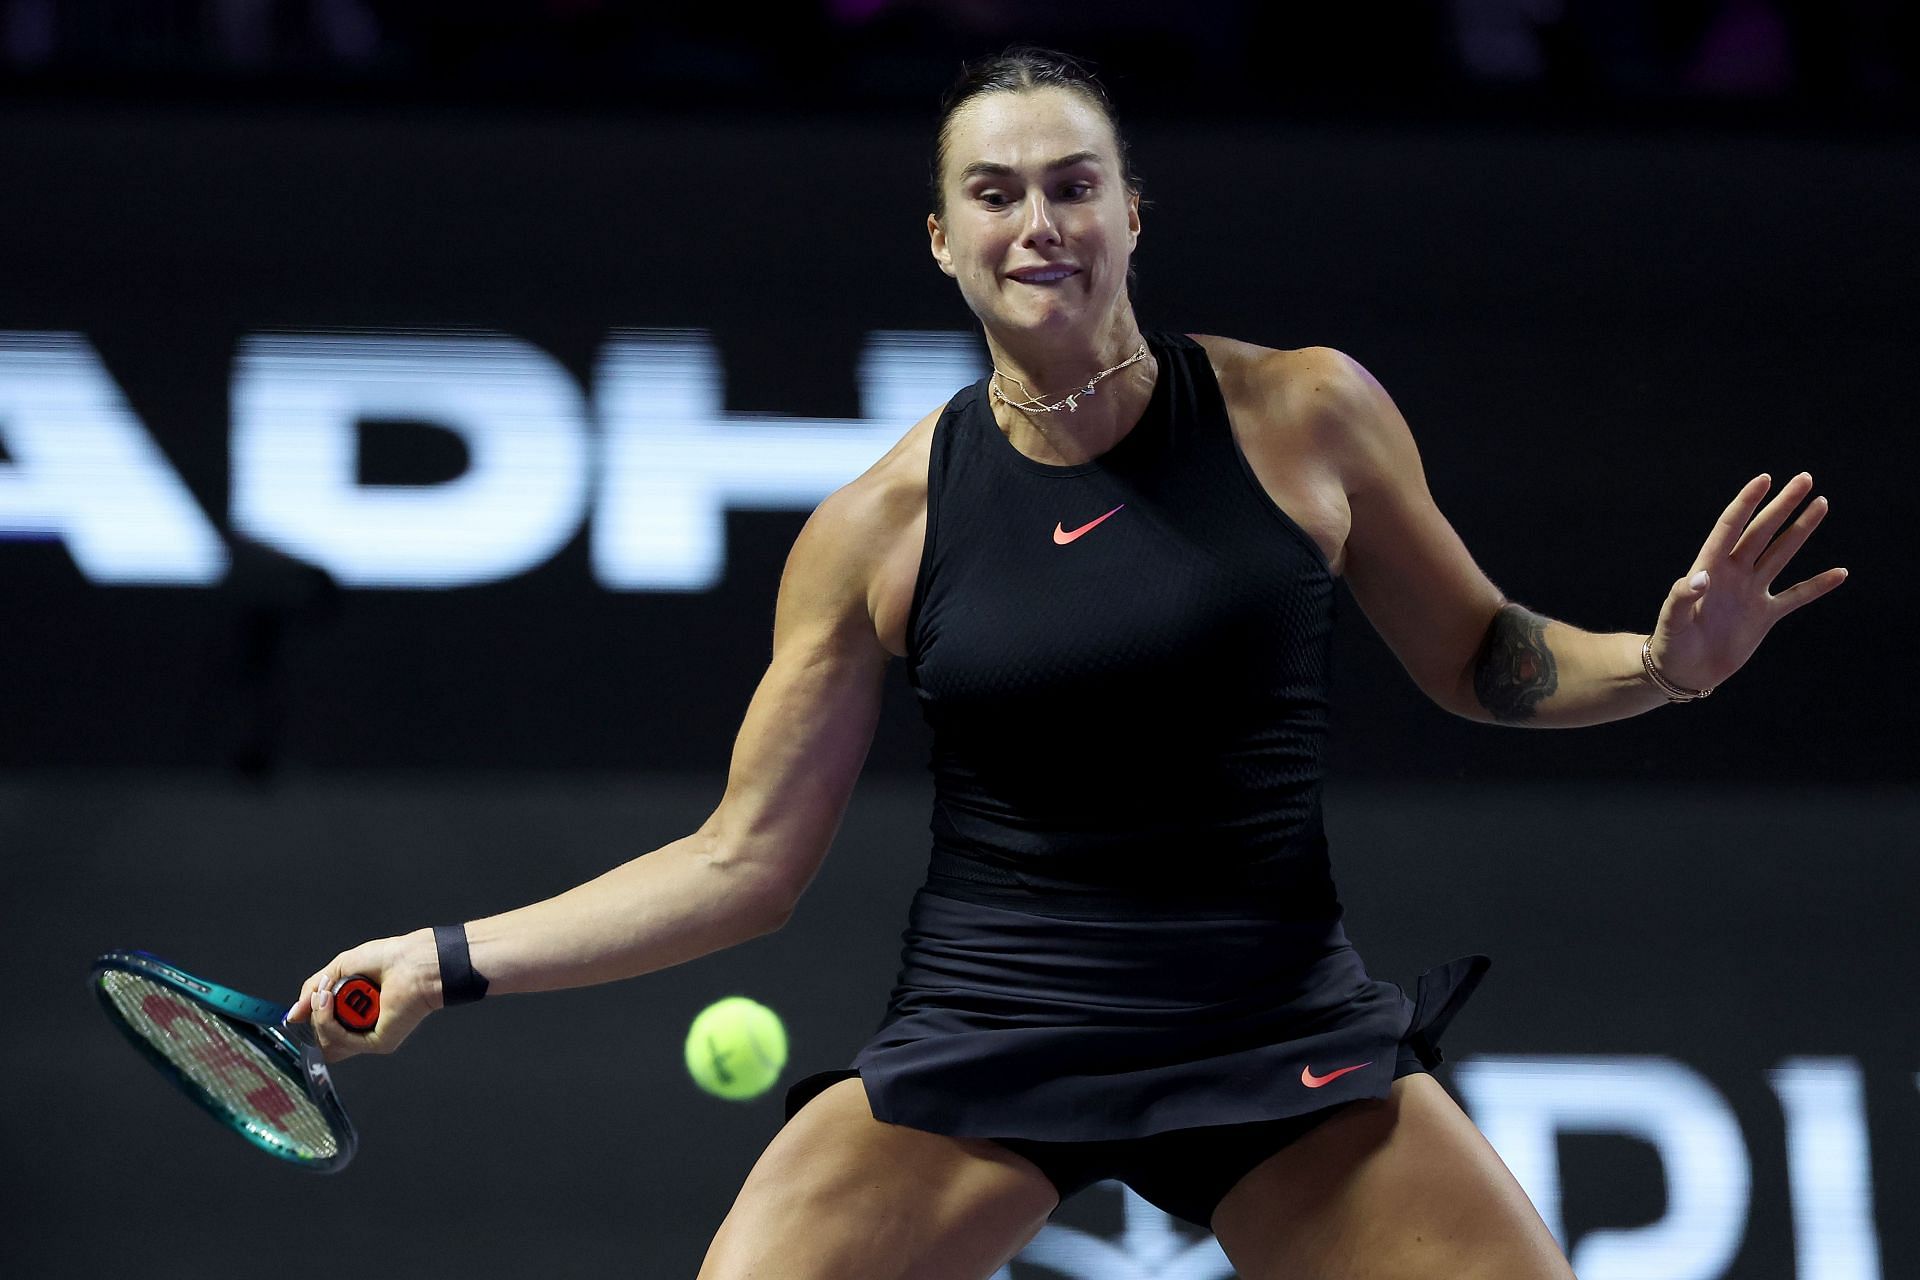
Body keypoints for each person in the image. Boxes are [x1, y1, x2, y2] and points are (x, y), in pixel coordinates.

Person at [288, 46, 1846, 1280]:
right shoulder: (875, 529)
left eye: (1075, 184)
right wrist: (445, 955)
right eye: (997, 193)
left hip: (1275, 1032)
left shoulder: (1305, 416)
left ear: (1132, 213)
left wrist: (1663, 660)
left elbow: (1487, 658)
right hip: (990, 1038)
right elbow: (741, 862)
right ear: (942, 240)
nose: (1040, 222)